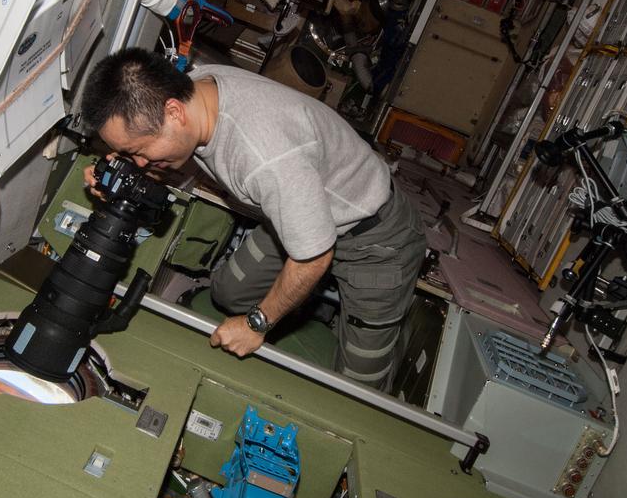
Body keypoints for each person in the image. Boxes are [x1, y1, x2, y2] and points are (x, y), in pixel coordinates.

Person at [79, 49, 426, 391]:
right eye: (128, 154)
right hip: (297, 216)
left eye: (138, 152)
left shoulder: (264, 157)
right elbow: (170, 156)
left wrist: (256, 324)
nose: (139, 162)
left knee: (357, 389)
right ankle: (297, 308)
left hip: (375, 240)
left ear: (173, 113)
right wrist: (121, 173)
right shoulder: (197, 89)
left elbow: (314, 257)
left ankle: (359, 355)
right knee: (229, 291)